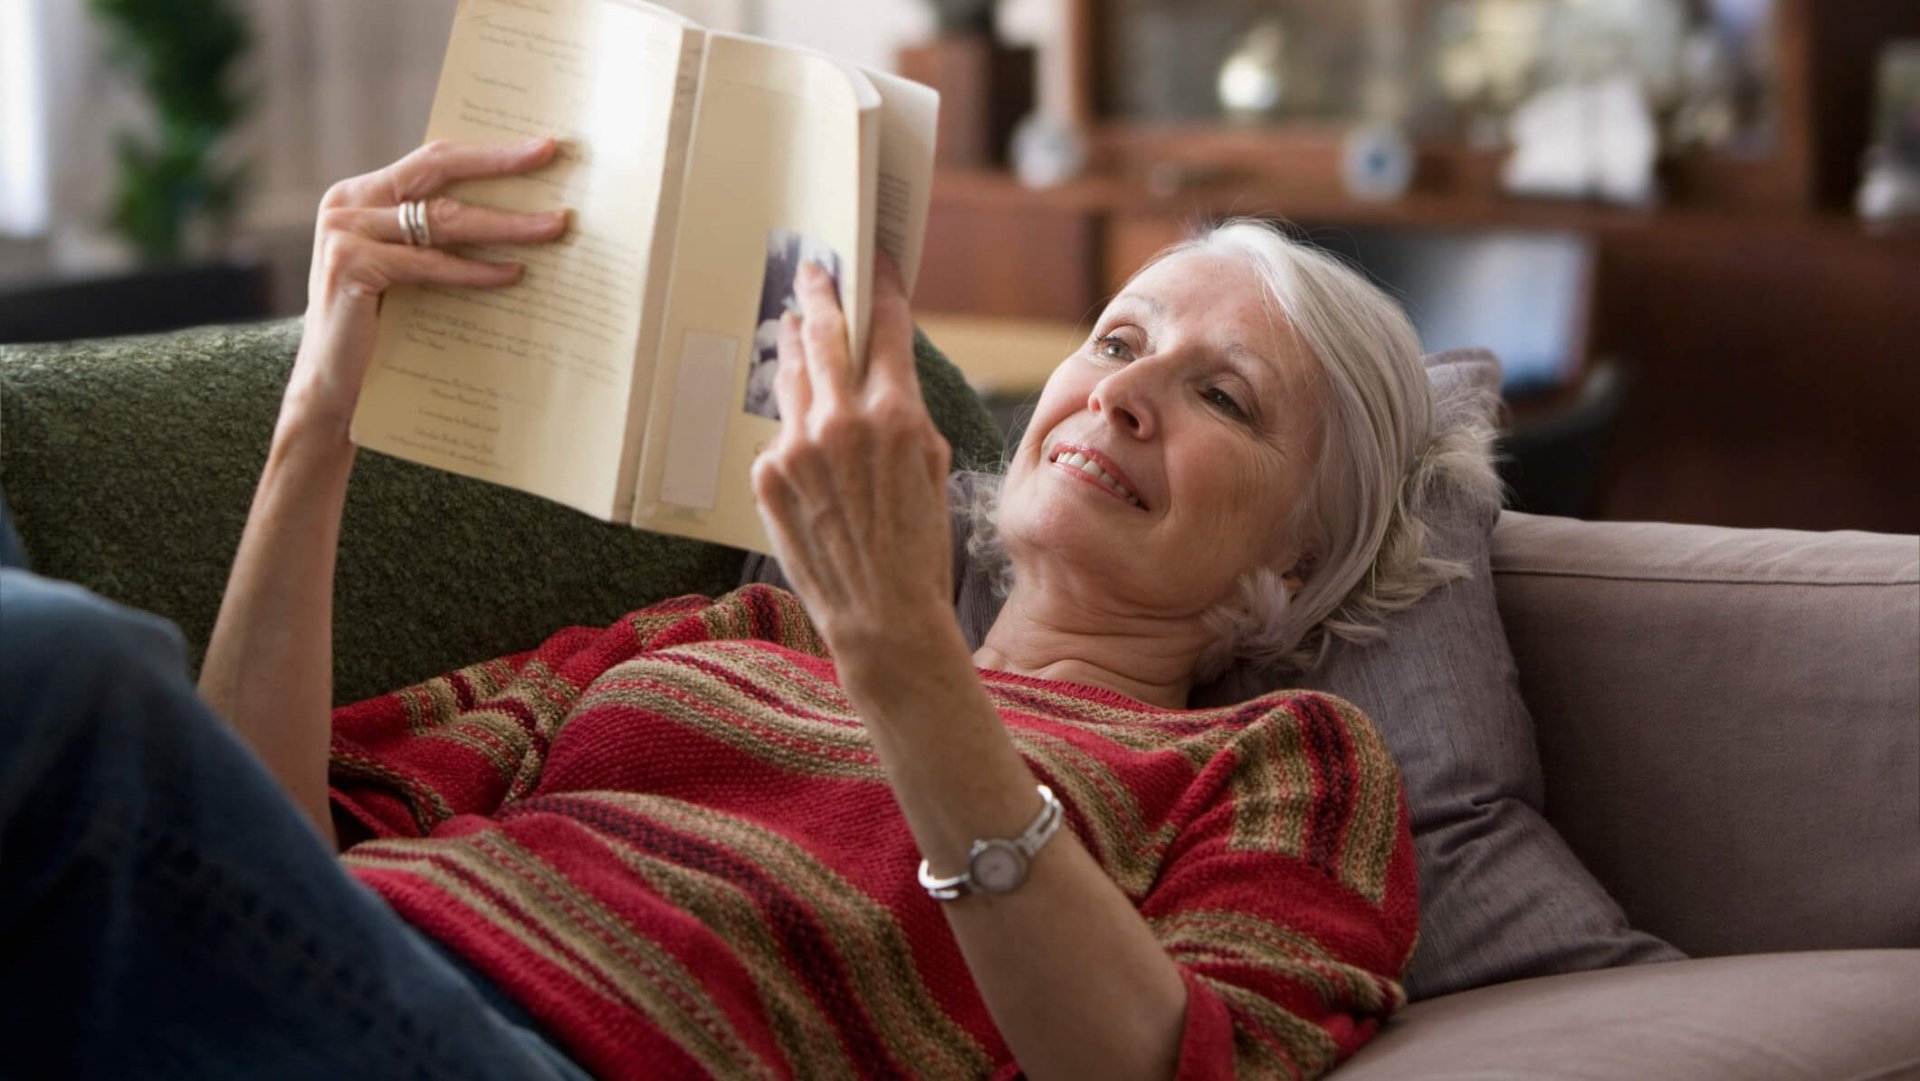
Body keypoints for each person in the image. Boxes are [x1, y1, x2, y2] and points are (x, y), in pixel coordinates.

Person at [0, 135, 1490, 1079]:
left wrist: (903, 651)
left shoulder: (1288, 761)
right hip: (295, 984)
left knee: (57, 674)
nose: (1121, 390)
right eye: (1118, 338)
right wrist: (317, 407)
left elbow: (1167, 1069)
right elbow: (264, 843)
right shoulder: (727, 634)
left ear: (1294, 565)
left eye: (1218, 392)